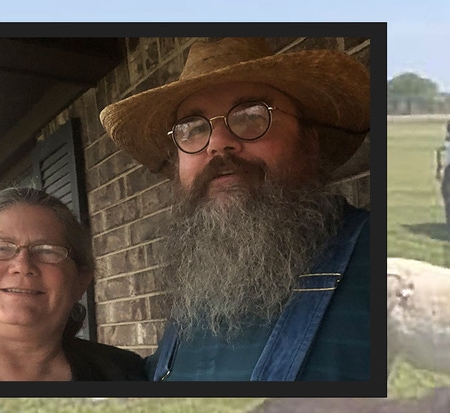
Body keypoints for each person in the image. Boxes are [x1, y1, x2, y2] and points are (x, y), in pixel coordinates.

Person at [99, 38, 370, 381]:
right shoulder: (202, 282)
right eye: (193, 128)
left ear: (309, 141)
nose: (217, 143)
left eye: (251, 116)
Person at [0, 187, 146, 381]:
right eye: (0, 247)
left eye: (47, 251)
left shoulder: (126, 374)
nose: (23, 265)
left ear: (81, 281)